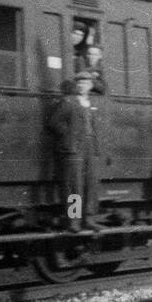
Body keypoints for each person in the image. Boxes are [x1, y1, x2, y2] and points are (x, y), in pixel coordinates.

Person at [48, 71, 102, 232]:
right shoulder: (68, 102)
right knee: (74, 185)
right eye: (79, 83)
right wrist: (69, 135)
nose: (82, 86)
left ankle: (89, 219)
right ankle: (73, 222)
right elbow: (53, 122)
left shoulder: (91, 103)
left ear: (90, 86)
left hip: (90, 147)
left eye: (85, 83)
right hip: (73, 148)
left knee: (91, 183)